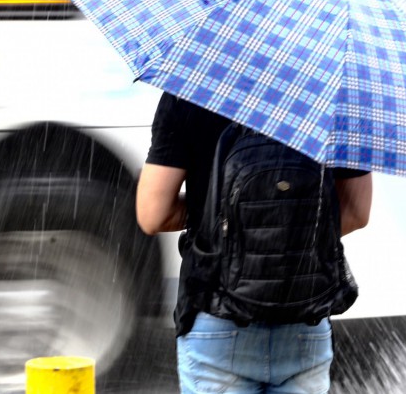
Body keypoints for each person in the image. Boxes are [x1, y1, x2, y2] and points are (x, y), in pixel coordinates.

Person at [136, 93, 373, 394]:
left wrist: (217, 219)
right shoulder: (339, 95)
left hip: (217, 317)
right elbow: (355, 212)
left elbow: (153, 215)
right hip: (305, 323)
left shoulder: (191, 91)